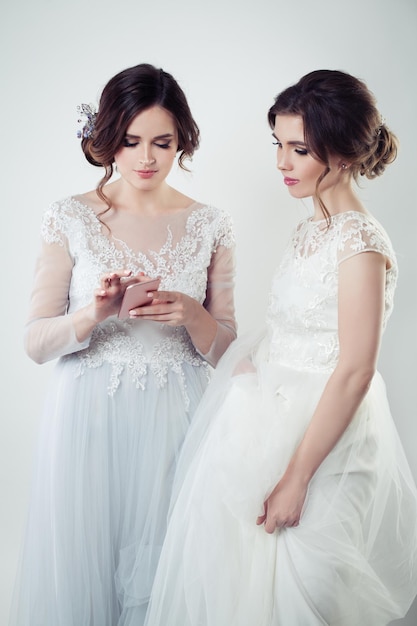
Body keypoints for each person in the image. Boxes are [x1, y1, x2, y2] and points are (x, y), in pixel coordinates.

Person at [144, 69, 417, 626]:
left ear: (341, 154)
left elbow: (356, 369)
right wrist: (247, 372)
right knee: (244, 586)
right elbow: (291, 328)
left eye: (299, 149)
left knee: (309, 588)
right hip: (267, 420)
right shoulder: (310, 230)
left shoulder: (360, 243)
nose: (281, 163)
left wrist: (297, 478)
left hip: (327, 438)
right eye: (279, 144)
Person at [9, 63, 237, 626]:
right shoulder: (70, 217)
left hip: (179, 417)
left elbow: (229, 347)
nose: (146, 158)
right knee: (87, 573)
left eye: (162, 141)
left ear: (182, 139)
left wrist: (189, 313)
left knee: (168, 570)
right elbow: (36, 342)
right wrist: (95, 312)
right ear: (108, 136)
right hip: (88, 419)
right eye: (131, 140)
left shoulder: (210, 223)